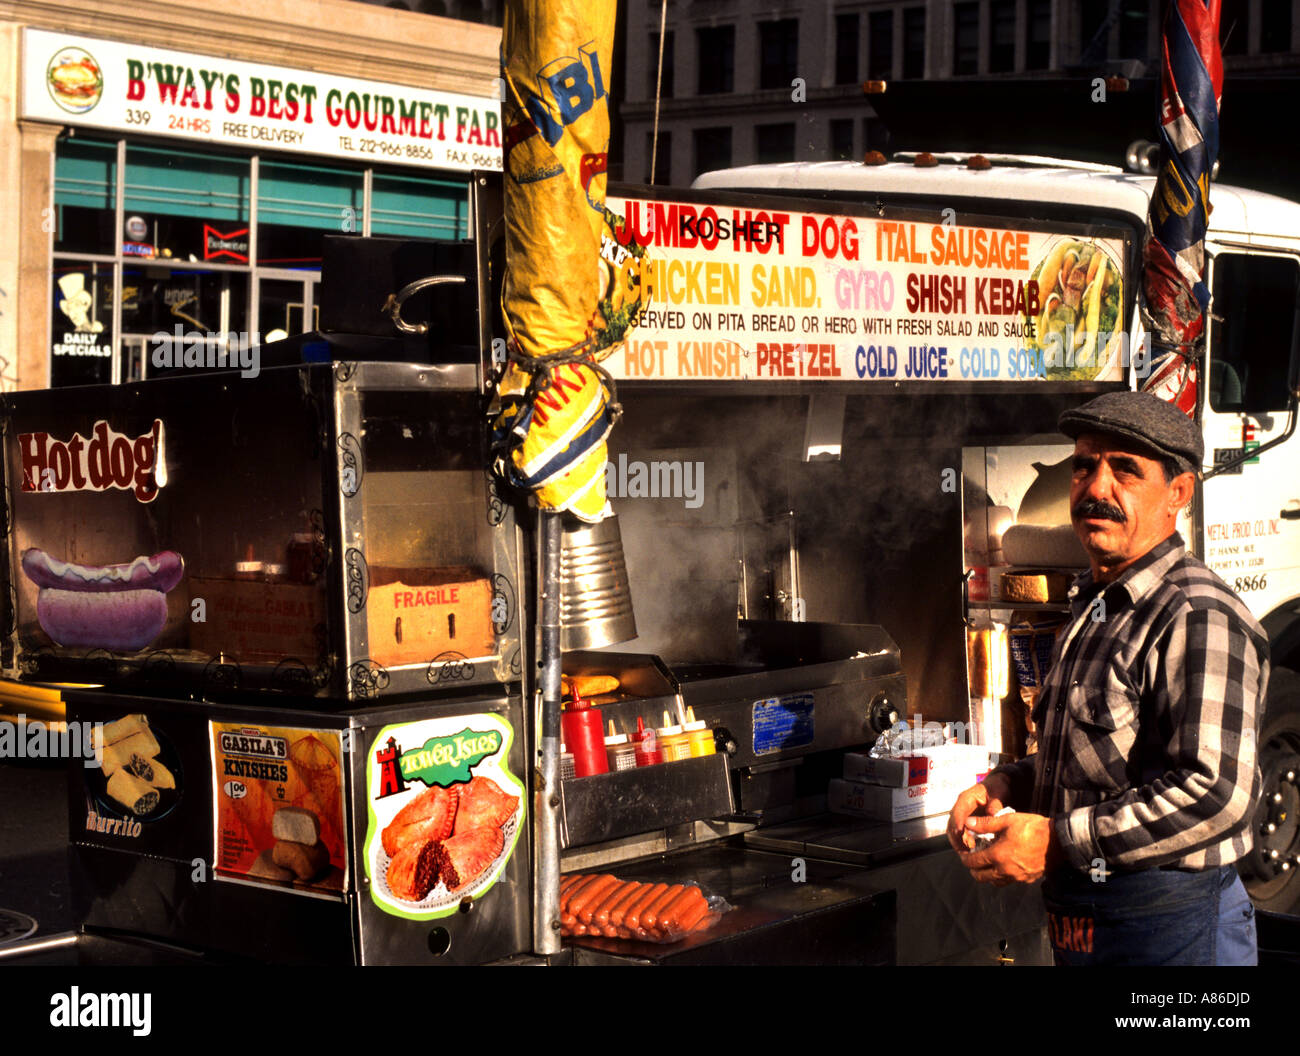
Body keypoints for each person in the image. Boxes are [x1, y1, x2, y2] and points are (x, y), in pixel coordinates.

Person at [948, 390, 1269, 965]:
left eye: (1125, 469)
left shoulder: (1197, 615)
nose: (1097, 488)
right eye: (1084, 466)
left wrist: (1057, 840)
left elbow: (1218, 793)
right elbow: (1100, 755)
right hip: (1092, 926)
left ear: (1178, 494)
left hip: (1172, 932)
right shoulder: (1097, 603)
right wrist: (1009, 786)